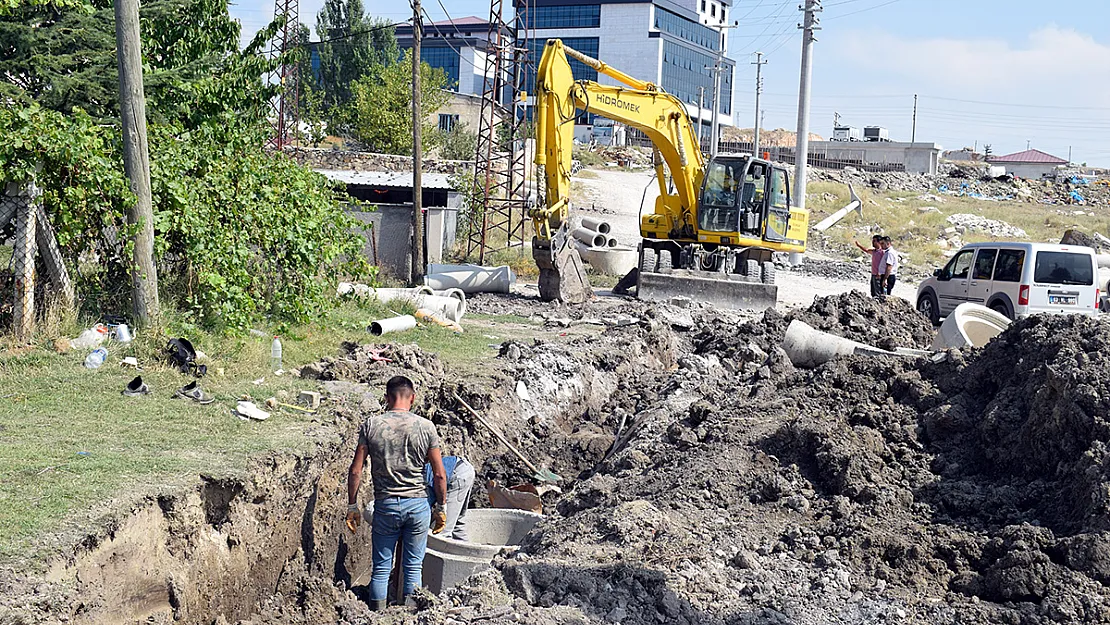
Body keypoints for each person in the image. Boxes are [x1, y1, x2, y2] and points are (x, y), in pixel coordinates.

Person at [346, 375, 447, 611]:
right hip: (417, 506)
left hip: (386, 505)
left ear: (387, 398)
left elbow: (355, 471)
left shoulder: (371, 425)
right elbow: (440, 474)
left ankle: (376, 616)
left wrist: (352, 506)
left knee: (381, 568)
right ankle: (410, 616)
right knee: (413, 567)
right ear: (412, 398)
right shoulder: (426, 427)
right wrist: (441, 507)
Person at [424, 455, 475, 541]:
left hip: (457, 475)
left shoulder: (417, 488)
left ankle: (442, 553)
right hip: (464, 469)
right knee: (457, 524)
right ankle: (468, 552)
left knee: (441, 532)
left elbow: (421, 516)